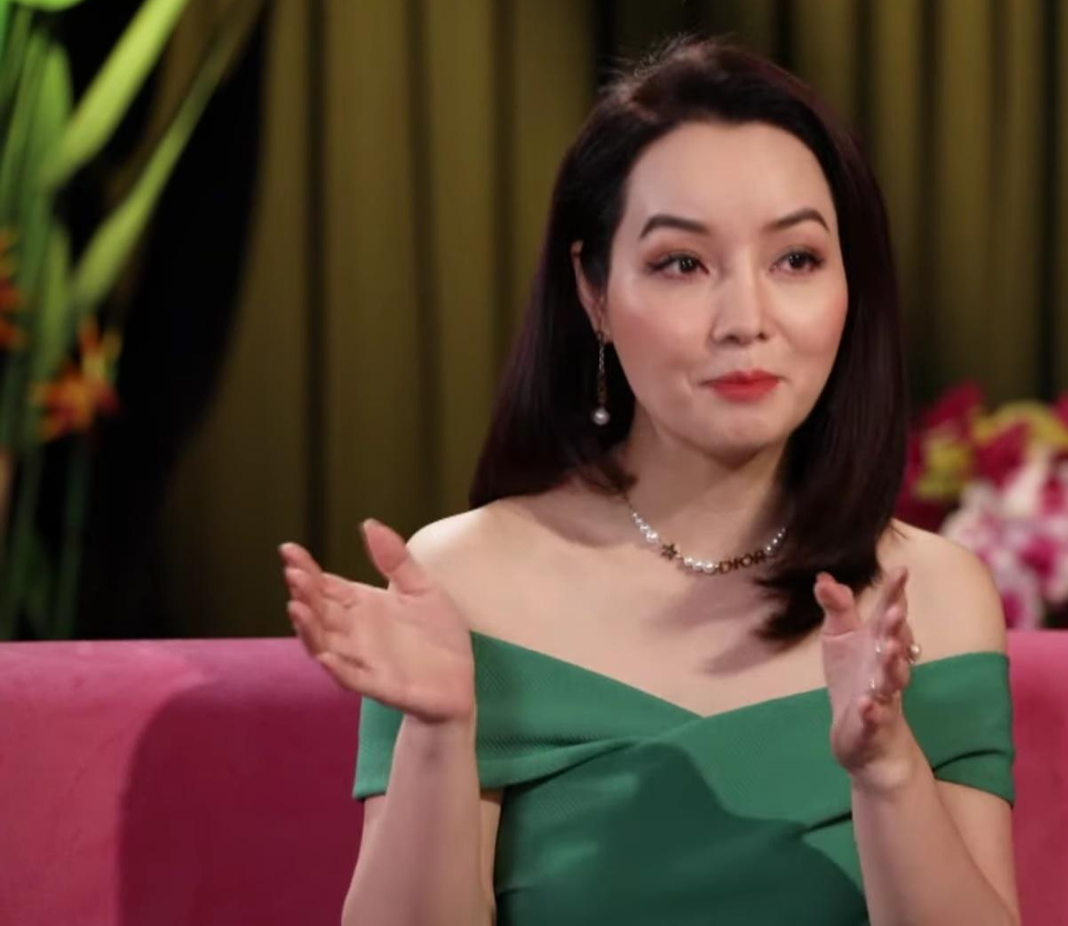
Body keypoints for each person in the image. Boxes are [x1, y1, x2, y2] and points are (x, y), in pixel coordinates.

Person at [279, 35, 1019, 926]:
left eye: (795, 260)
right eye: (682, 264)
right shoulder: (464, 583)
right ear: (593, 291)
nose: (745, 319)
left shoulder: (932, 597)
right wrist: (440, 736)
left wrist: (889, 770)